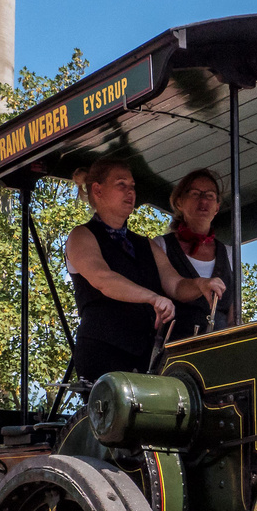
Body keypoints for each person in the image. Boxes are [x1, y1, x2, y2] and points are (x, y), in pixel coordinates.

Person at [65, 159, 220, 383]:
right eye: (121, 184)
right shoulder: (81, 236)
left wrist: (200, 284)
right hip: (104, 354)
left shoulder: (146, 245)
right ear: (98, 190)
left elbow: (175, 285)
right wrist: (153, 298)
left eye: (133, 186)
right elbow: (103, 279)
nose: (130, 192)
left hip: (146, 358)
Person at [155, 168, 236, 340]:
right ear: (179, 203)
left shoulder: (229, 254)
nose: (203, 200)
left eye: (210, 195)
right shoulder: (161, 246)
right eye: (195, 193)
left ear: (217, 208)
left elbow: (233, 317)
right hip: (172, 351)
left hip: (218, 349)